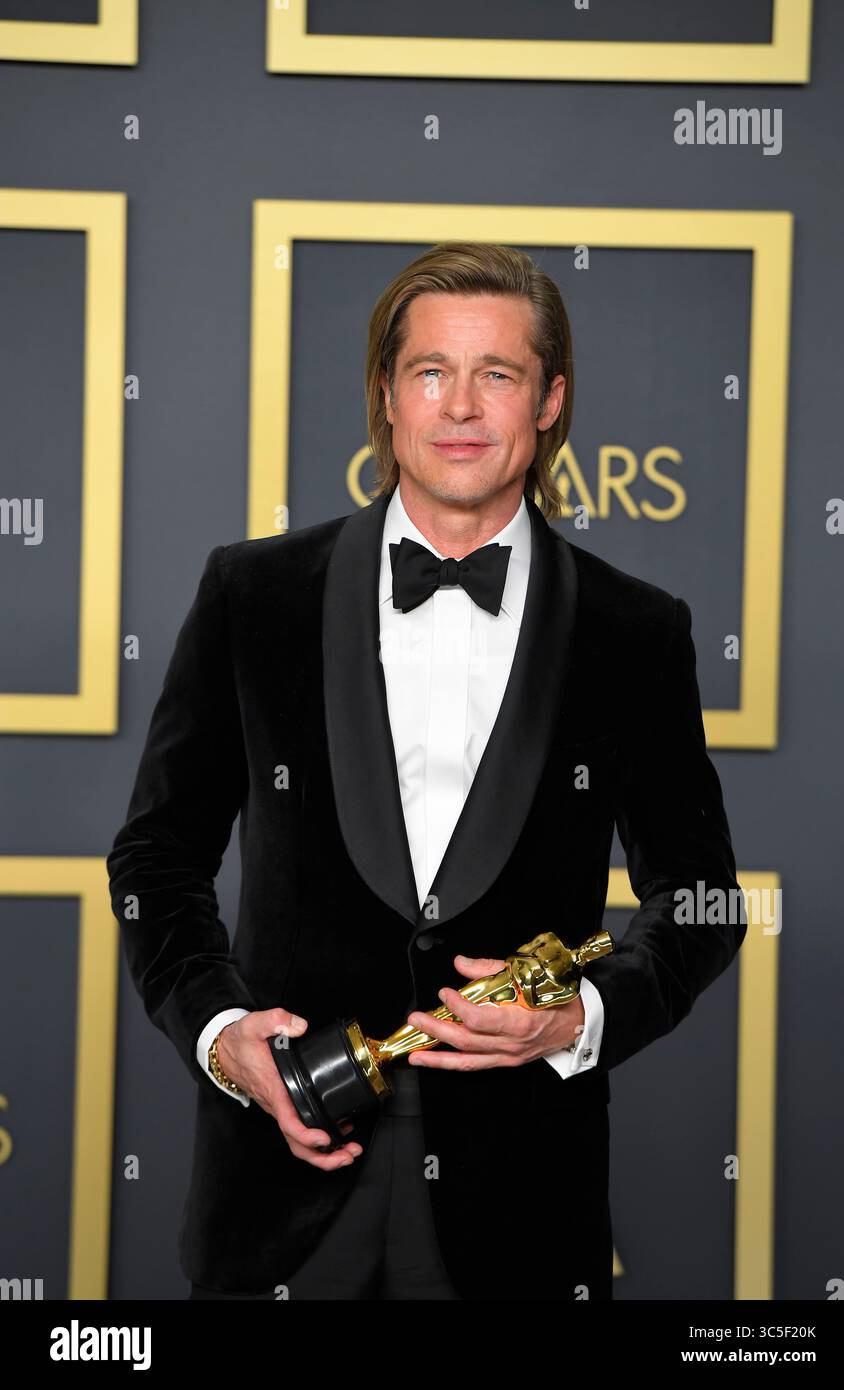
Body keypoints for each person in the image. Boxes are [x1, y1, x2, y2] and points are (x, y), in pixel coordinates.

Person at [106, 241, 745, 1301]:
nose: (460, 406)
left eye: (496, 373)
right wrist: (223, 1038)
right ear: (384, 397)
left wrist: (576, 1018)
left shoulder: (636, 631)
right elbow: (157, 856)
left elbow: (703, 897)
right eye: (429, 372)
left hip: (521, 1215)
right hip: (278, 1201)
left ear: (547, 401)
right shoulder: (251, 594)